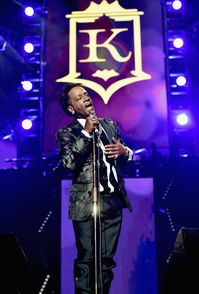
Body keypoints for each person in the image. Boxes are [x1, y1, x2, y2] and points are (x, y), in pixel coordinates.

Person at [56, 83, 133, 294]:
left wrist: (124, 151)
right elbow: (69, 163)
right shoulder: (68, 133)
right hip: (86, 203)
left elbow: (127, 153)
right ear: (71, 108)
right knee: (87, 261)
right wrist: (87, 133)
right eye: (79, 97)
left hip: (112, 201)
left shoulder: (109, 125)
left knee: (106, 262)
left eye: (86, 94)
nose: (86, 98)